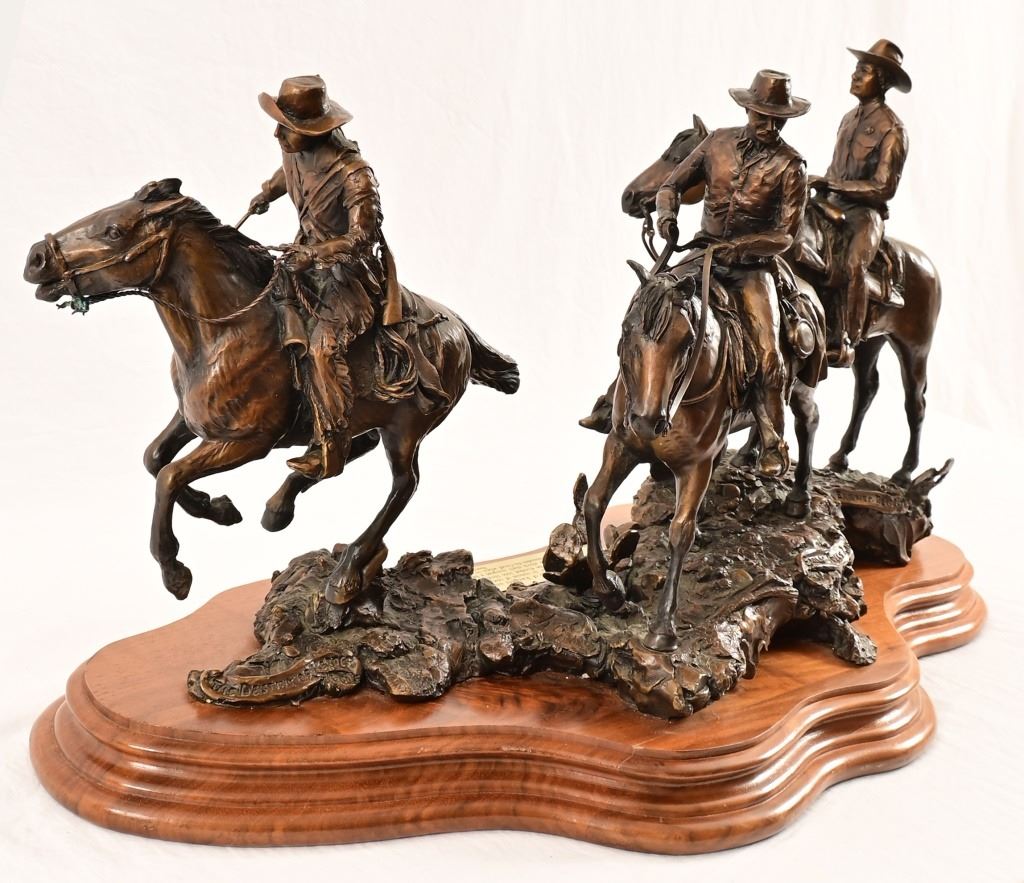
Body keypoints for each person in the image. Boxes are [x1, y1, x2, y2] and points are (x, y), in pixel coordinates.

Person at [249, 75, 445, 480]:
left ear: (312, 131)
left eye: (286, 127)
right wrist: (266, 193)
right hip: (304, 258)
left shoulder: (355, 174)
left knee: (323, 347)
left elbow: (362, 237)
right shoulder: (295, 150)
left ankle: (331, 445)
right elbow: (289, 173)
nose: (277, 134)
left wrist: (315, 254)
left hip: (349, 276)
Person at [654, 70, 810, 476]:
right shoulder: (717, 142)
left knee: (769, 354)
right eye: (763, 116)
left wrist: (740, 247)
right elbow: (671, 186)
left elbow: (786, 236)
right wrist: (667, 216)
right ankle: (618, 403)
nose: (770, 126)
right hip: (702, 253)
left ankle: (773, 442)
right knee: (650, 312)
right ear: (747, 109)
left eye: (778, 120)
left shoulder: (791, 165)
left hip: (751, 270)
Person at [809, 39, 911, 367]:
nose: (855, 75)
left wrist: (832, 184)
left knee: (853, 264)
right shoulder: (848, 119)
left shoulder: (892, 129)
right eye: (856, 69)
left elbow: (884, 187)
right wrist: (820, 187)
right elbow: (835, 169)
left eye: (864, 71)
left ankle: (845, 339)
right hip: (830, 202)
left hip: (865, 213)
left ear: (881, 81)